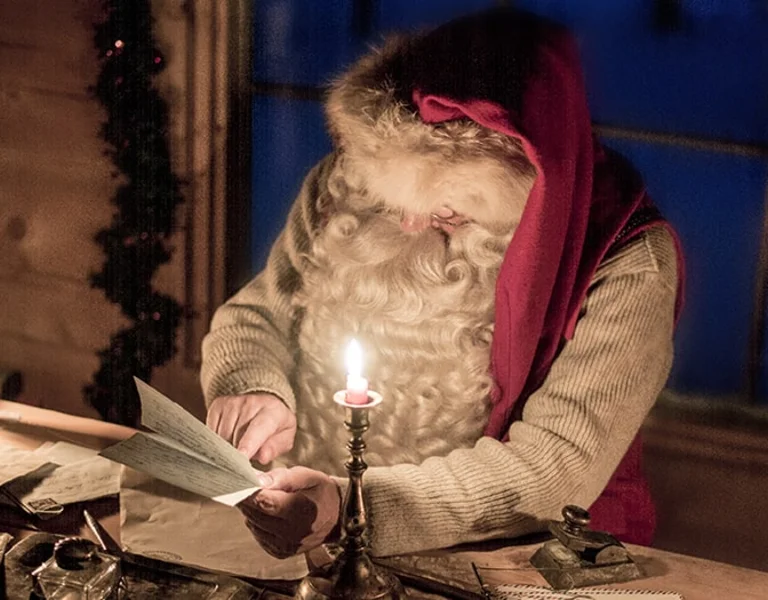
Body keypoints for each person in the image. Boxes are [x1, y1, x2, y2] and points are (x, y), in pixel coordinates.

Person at [201, 8, 683, 560]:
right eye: (394, 195)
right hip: (313, 532)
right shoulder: (345, 184)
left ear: (524, 184)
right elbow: (259, 316)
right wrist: (254, 383)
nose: (408, 221)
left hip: (513, 558)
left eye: (445, 209)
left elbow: (551, 471)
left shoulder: (627, 258)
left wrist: (355, 508)